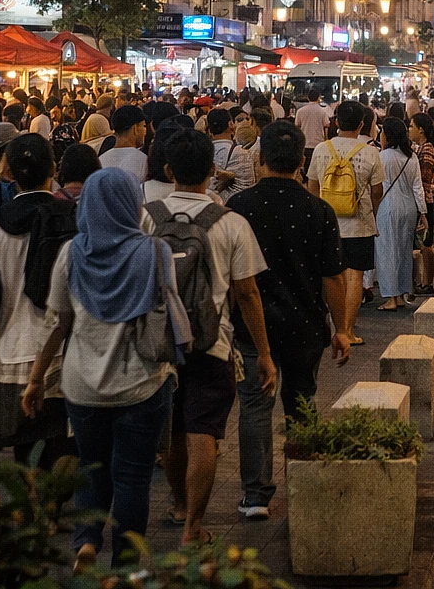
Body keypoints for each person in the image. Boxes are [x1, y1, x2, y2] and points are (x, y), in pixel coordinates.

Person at [23, 168, 184, 571]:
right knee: (132, 477)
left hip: (82, 385)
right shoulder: (156, 252)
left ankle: (86, 544)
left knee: (92, 468)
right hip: (142, 383)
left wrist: (36, 378)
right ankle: (126, 562)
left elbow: (57, 323)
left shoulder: (72, 253)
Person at [142, 129, 275, 544]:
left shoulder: (145, 216)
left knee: (173, 428)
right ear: (212, 170)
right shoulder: (231, 222)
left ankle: (179, 503)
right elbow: (247, 292)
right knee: (205, 432)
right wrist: (265, 353)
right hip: (212, 340)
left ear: (167, 170)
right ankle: (193, 526)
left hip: (159, 340)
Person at [225, 121, 350, 520]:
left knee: (255, 407)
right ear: (302, 161)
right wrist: (343, 329)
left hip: (252, 326)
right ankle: (301, 479)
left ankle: (256, 494)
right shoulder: (319, 210)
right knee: (301, 401)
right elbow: (333, 277)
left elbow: (232, 279)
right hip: (305, 324)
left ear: (260, 158)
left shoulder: (239, 208)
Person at [0, 134, 77, 466]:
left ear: (10, 172)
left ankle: (35, 508)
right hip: (67, 350)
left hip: (12, 351)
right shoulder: (72, 217)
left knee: (25, 449)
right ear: (53, 168)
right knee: (62, 442)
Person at [306, 100, 385, 346]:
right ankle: (347, 330)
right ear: (363, 124)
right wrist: (373, 212)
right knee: (354, 278)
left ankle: (329, 326)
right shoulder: (371, 152)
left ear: (337, 121)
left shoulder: (321, 149)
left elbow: (312, 187)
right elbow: (377, 191)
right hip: (359, 224)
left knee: (329, 275)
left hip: (328, 225)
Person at [374, 117, 426, 310]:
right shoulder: (411, 156)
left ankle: (391, 297)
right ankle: (404, 291)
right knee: (404, 251)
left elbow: (377, 187)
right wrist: (423, 212)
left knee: (387, 251)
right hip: (409, 207)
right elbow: (417, 187)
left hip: (387, 207)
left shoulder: (382, 157)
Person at [410, 112, 434, 294]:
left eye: (411, 126)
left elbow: (425, 179)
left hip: (429, 200)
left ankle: (427, 283)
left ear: (420, 130)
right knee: (424, 241)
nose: (409, 130)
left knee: (426, 242)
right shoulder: (421, 147)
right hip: (427, 199)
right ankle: (424, 281)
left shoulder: (427, 149)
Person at [99, 104, 149, 184]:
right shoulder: (142, 160)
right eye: (143, 126)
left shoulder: (100, 160)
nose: (145, 131)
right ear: (135, 128)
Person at [294, 91, 329, 170]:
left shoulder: (300, 111)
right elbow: (327, 125)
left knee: (306, 167)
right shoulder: (323, 111)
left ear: (308, 98)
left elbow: (297, 125)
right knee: (317, 167)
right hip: (318, 143)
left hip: (305, 143)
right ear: (318, 98)